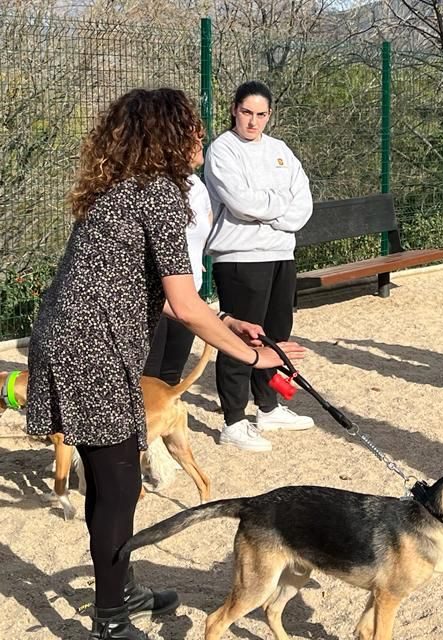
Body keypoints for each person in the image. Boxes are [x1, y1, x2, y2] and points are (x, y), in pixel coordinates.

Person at [25, 88, 306, 640]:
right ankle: (111, 618)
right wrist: (255, 355)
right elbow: (182, 302)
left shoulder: (120, 189)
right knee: (118, 485)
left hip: (76, 342)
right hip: (91, 351)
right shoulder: (156, 194)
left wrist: (227, 319)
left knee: (115, 481)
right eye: (193, 128)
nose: (202, 136)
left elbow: (162, 290)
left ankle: (119, 587)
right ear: (169, 135)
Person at [204, 80, 314, 452]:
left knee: (277, 332)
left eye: (261, 114)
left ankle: (268, 405)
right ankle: (234, 420)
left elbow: (303, 203)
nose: (253, 121)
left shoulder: (281, 150)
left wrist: (273, 212)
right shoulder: (222, 150)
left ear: (270, 115)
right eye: (247, 112)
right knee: (240, 337)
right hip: (239, 257)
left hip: (281, 253)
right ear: (234, 109)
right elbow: (240, 203)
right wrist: (277, 205)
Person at [142, 152, 213, 385]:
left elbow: (206, 222)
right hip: (156, 295)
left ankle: (166, 421)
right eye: (194, 137)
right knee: (148, 375)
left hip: (190, 288)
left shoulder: (196, 184)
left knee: (172, 374)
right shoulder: (154, 184)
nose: (199, 144)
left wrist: (197, 255)